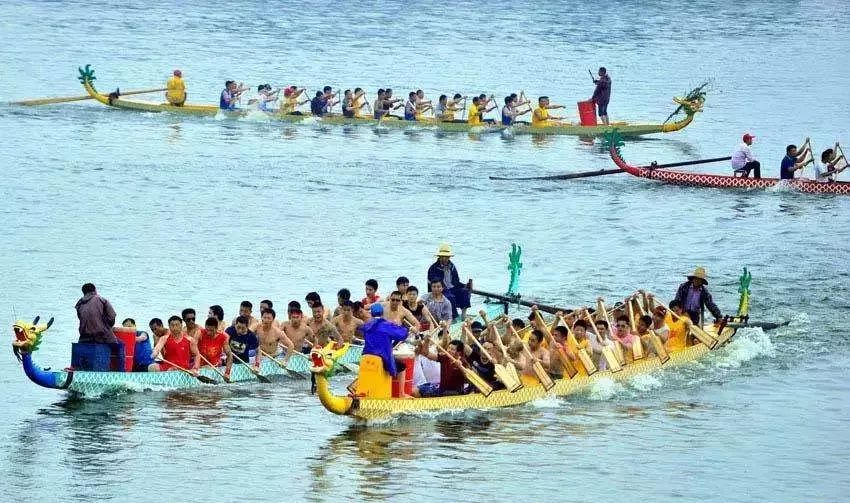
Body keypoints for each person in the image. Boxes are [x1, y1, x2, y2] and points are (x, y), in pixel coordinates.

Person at [360, 303, 415, 397]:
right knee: (401, 367)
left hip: (365, 358)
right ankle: (402, 394)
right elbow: (402, 335)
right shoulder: (386, 325)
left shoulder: (366, 326)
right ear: (382, 313)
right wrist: (409, 329)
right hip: (381, 358)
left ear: (371, 314)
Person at [426, 243, 472, 319]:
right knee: (450, 297)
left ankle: (463, 315)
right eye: (442, 257)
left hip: (452, 288)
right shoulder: (433, 268)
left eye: (446, 257)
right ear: (439, 257)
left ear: (449, 257)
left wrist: (464, 285)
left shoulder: (452, 266)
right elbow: (436, 284)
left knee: (464, 291)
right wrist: (446, 290)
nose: (444, 259)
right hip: (439, 290)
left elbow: (456, 281)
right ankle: (453, 317)